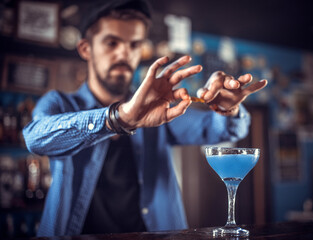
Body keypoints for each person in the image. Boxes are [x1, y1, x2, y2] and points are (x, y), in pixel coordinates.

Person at [22, 0, 267, 237]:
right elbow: (35, 138)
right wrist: (117, 119)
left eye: (134, 44)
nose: (124, 53)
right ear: (86, 48)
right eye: (112, 42)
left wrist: (228, 109)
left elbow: (220, 131)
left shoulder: (157, 111)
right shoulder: (60, 103)